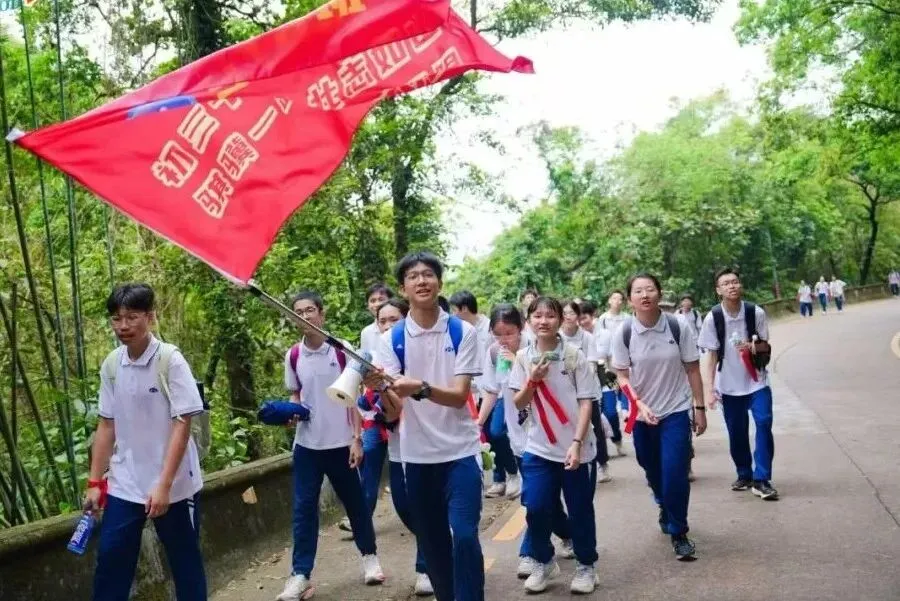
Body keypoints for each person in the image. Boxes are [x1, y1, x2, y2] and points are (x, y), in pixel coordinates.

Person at [368, 251, 485, 601]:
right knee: (432, 543)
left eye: (428, 274)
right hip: (416, 458)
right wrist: (382, 390)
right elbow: (392, 413)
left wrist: (418, 387)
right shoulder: (390, 341)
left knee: (464, 535)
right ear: (403, 288)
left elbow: (460, 395)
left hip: (460, 452)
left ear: (439, 282)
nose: (422, 280)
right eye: (413, 276)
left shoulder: (461, 331)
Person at [87, 283, 207, 601]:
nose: (123, 326)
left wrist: (164, 485)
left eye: (132, 317)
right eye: (116, 318)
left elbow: (182, 424)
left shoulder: (170, 361)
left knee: (185, 562)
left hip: (175, 484)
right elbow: (106, 424)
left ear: (150, 317)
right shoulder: (112, 365)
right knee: (111, 559)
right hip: (126, 481)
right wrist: (96, 482)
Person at [278, 291, 384, 601]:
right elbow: (295, 396)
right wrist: (291, 414)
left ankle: (370, 559)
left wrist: (357, 439)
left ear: (321, 314)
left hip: (341, 444)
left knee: (355, 504)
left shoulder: (341, 351)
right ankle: (300, 575)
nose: (305, 316)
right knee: (303, 510)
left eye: (310, 310)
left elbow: (352, 398)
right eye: (298, 312)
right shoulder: (293, 356)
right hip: (308, 446)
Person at [611, 273, 706, 561]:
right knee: (651, 467)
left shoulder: (677, 326)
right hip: (642, 416)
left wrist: (699, 408)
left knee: (675, 470)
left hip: (675, 410)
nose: (645, 295)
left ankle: (679, 532)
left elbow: (692, 368)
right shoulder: (624, 332)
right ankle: (664, 503)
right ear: (630, 300)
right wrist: (638, 404)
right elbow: (621, 375)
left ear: (659, 293)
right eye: (638, 291)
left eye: (650, 289)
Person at [479, 303, 577, 580]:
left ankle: (530, 552)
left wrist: (520, 365)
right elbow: (491, 390)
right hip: (518, 434)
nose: (503, 340)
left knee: (536, 498)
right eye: (497, 334)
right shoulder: (494, 353)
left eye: (508, 333)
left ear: (521, 327)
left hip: (546, 434)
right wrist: (479, 423)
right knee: (539, 498)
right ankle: (566, 535)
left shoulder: (534, 351)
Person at [510, 296, 600, 594]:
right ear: (529, 321)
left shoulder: (575, 356)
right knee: (535, 507)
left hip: (577, 449)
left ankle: (587, 566)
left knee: (579, 509)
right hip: (539, 448)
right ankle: (544, 561)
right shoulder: (523, 357)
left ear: (561, 320)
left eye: (550, 315)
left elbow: (586, 402)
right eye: (537, 316)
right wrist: (532, 381)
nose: (543, 321)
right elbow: (518, 402)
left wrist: (576, 442)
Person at [362, 298, 434, 596]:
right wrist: (376, 389)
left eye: (394, 319)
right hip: (398, 445)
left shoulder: (420, 350)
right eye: (383, 320)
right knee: (404, 507)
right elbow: (376, 409)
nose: (388, 325)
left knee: (423, 506)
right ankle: (438, 543)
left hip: (429, 443)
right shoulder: (373, 362)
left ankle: (426, 568)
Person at [698, 268, 778, 501]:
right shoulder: (713, 318)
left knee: (764, 422)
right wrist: (709, 390)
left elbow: (765, 343)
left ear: (740, 285)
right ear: (718, 290)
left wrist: (752, 347)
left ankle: (762, 479)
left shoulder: (755, 312)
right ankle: (744, 472)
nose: (731, 286)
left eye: (735, 282)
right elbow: (710, 356)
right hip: (728, 385)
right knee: (737, 431)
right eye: (726, 283)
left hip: (757, 381)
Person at [561, 300, 611, 483]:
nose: (568, 317)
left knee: (595, 427)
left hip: (589, 391)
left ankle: (602, 463)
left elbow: (591, 364)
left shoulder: (587, 338)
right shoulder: (558, 338)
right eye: (564, 313)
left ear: (578, 317)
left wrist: (580, 383)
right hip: (566, 393)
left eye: (571, 313)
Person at [360, 284, 394, 354]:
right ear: (368, 306)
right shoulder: (366, 332)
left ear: (391, 301)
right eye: (372, 301)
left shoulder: (401, 325)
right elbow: (366, 360)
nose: (377, 304)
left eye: (381, 299)